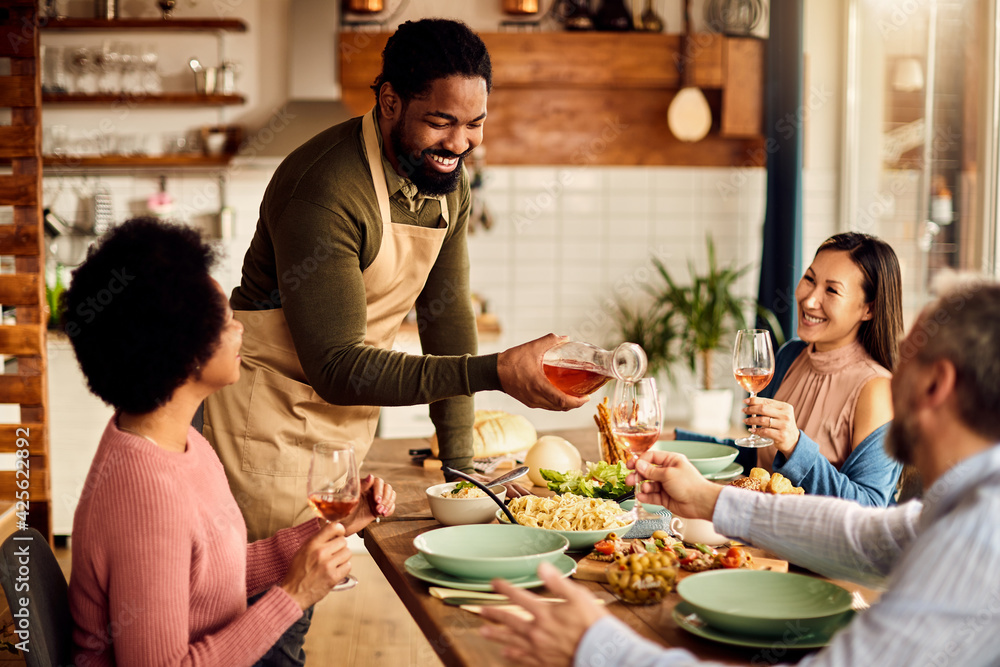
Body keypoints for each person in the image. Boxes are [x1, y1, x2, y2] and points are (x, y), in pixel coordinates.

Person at [479, 276, 1000, 667]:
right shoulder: (970, 501)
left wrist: (597, 647)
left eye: (904, 363)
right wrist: (710, 500)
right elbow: (869, 538)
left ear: (937, 386)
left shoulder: (979, 537)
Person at [202, 17, 584, 546]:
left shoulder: (447, 182)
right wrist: (495, 370)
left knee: (302, 606)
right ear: (389, 101)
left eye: (476, 123)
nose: (459, 142)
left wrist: (460, 468)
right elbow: (335, 367)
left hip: (343, 431)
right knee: (264, 609)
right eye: (441, 121)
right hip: (267, 428)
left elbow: (446, 315)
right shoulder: (326, 189)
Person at [63, 218, 396, 666]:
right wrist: (293, 596)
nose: (240, 327)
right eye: (224, 318)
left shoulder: (175, 441)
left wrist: (327, 527)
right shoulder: (146, 494)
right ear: (181, 350)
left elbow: (211, 573)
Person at [670, 232, 903, 505]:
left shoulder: (876, 390)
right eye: (809, 279)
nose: (809, 299)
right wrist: (674, 441)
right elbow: (758, 459)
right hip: (757, 536)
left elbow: (869, 509)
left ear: (869, 309)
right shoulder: (791, 355)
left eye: (831, 290)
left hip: (814, 546)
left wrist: (794, 444)